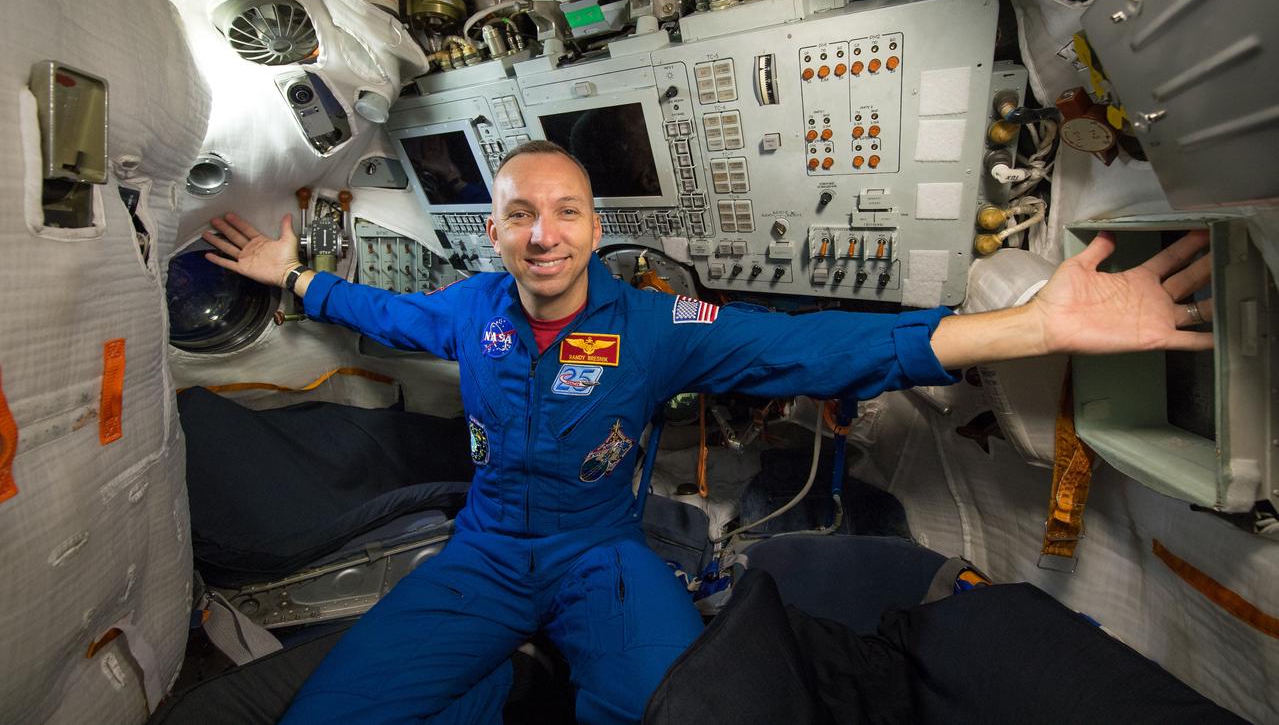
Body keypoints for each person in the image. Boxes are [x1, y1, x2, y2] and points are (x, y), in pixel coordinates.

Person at [202, 140, 1212, 724]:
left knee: (688, 710)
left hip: (600, 557)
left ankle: (527, 672)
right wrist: (291, 277)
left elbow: (816, 351)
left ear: (595, 227)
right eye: (520, 214)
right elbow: (380, 313)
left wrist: (1033, 325)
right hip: (479, 560)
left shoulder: (652, 327)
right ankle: (507, 678)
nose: (543, 232)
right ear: (495, 231)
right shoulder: (470, 307)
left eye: (565, 211)